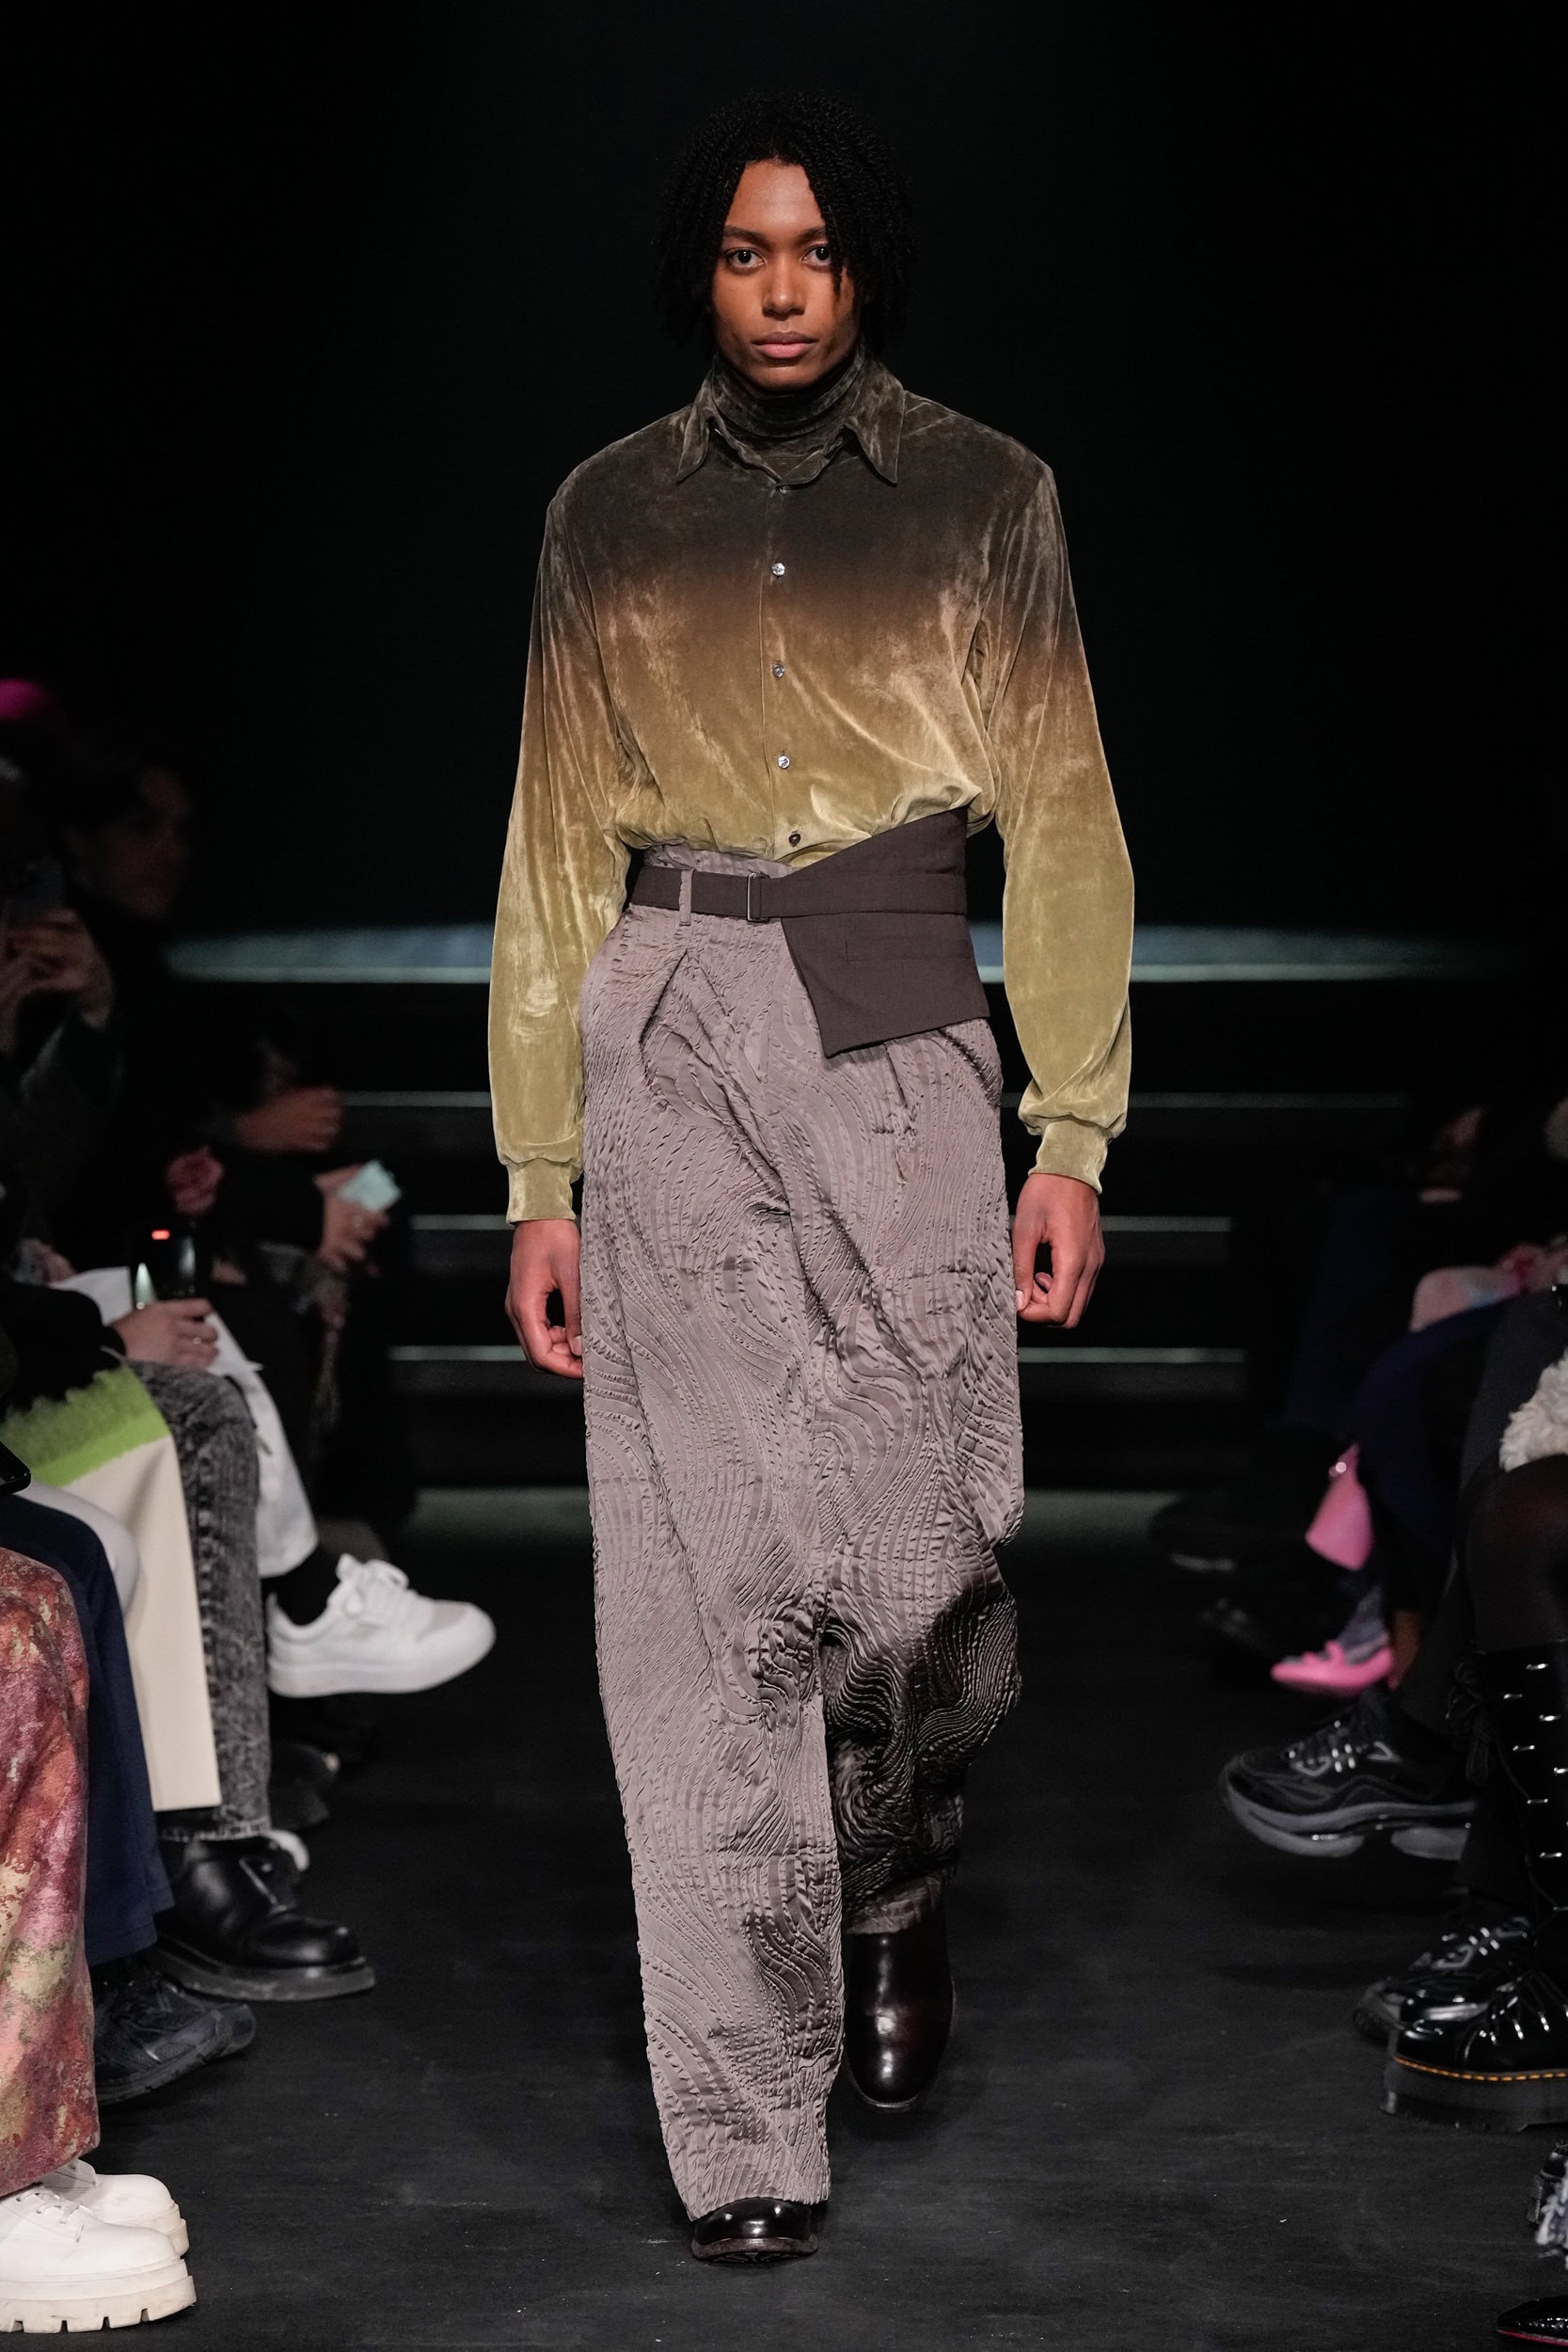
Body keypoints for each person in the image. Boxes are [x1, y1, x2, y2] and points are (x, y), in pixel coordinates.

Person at [490, 90, 1132, 2261]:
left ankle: (898, 1862)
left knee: (930, 1554)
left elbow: (1064, 811)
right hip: (668, 1018)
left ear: (870, 272)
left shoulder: (986, 492)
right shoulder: (607, 508)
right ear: (702, 269)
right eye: (747, 251)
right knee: (696, 1604)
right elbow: (547, 844)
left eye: (820, 252)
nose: (782, 291)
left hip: (897, 1019)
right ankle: (744, 2120)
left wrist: (1071, 1125)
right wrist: (541, 1166)